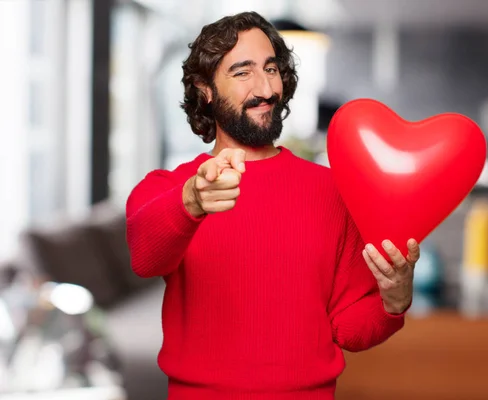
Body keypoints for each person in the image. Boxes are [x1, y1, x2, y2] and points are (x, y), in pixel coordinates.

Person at [125, 11, 420, 400]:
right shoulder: (167, 188)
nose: (265, 88)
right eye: (242, 72)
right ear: (205, 89)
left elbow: (348, 327)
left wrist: (393, 301)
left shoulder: (331, 191)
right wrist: (191, 202)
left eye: (271, 68)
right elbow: (146, 256)